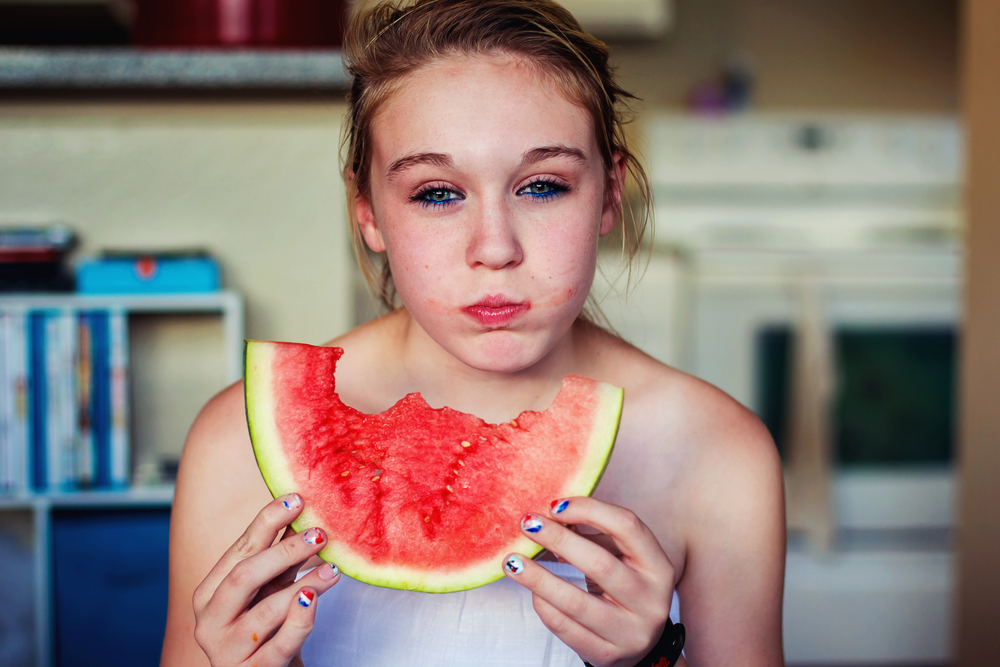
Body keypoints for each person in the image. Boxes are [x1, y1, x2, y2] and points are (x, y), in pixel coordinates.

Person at [160, 1, 786, 665]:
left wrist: (653, 661)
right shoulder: (234, 445)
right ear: (367, 212)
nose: (494, 248)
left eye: (542, 186)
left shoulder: (718, 453)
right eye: (436, 193)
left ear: (608, 195)